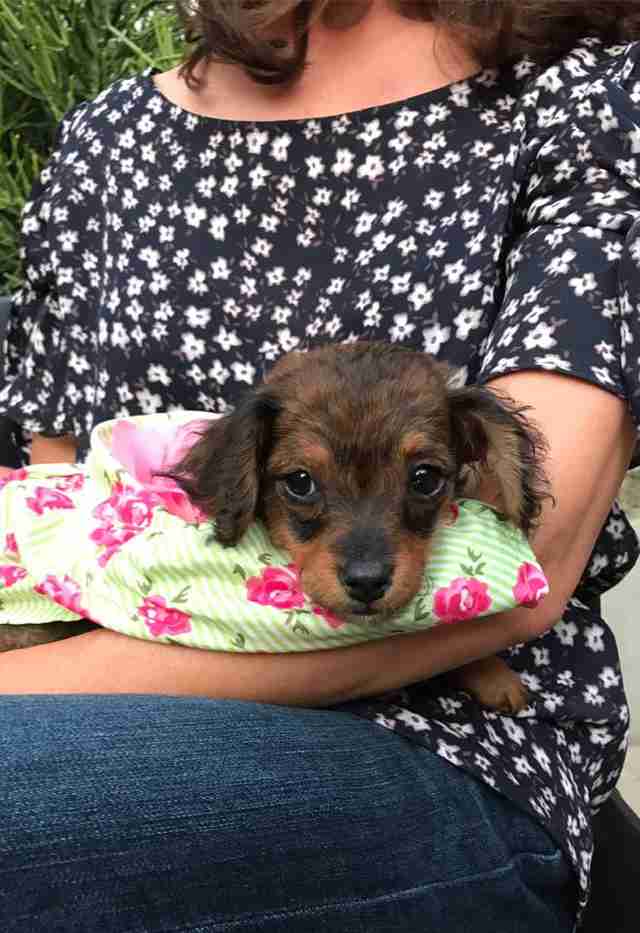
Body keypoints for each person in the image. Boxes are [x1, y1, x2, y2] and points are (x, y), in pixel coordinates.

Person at [1, 1, 640, 929]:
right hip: (79, 694)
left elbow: (521, 568)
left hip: (446, 740)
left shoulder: (592, 95)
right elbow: (59, 523)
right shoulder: (105, 140)